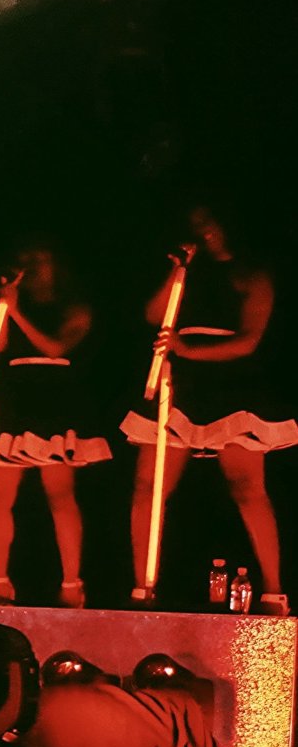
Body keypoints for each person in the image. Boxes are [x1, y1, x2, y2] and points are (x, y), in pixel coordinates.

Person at [122, 203, 295, 612]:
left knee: (247, 487)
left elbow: (249, 340)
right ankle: (142, 585)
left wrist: (189, 350)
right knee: (148, 486)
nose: (204, 230)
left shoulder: (252, 274)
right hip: (180, 383)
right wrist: (178, 271)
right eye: (196, 223)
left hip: (230, 381)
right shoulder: (187, 272)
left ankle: (274, 590)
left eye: (210, 221)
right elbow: (154, 315)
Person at [0, 241, 112, 607]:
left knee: (60, 492)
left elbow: (55, 348)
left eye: (40, 260)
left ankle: (72, 583)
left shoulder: (73, 307)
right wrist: (4, 308)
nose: (32, 267)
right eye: (26, 260)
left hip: (54, 397)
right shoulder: (10, 304)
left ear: (56, 264)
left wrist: (16, 313)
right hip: (15, 396)